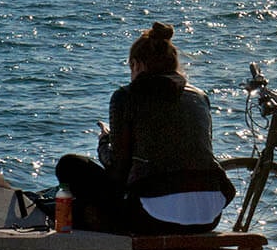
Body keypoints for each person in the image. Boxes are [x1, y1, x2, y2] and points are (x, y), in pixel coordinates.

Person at [54, 21, 232, 234]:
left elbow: (117, 169)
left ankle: (103, 224)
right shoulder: (200, 97)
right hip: (209, 216)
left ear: (137, 65)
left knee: (70, 165)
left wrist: (104, 142)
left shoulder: (126, 96)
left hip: (153, 218)